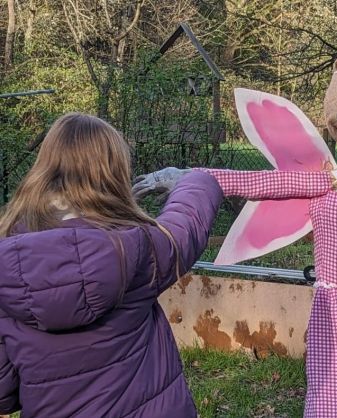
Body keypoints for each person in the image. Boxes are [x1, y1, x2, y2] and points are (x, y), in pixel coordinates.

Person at [0, 113, 222, 418]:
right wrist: (193, 179)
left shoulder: (7, 265)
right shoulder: (135, 248)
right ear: (113, 173)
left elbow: (4, 391)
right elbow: (185, 225)